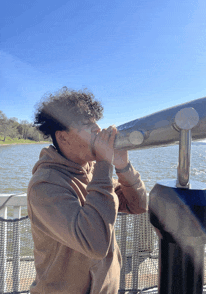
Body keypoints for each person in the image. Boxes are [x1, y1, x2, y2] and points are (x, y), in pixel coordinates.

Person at [27, 87, 147, 294]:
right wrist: (104, 164)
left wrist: (123, 167)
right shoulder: (45, 185)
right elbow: (95, 243)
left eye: (96, 123)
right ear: (63, 137)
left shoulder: (92, 171)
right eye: (87, 125)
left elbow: (138, 205)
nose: (98, 130)